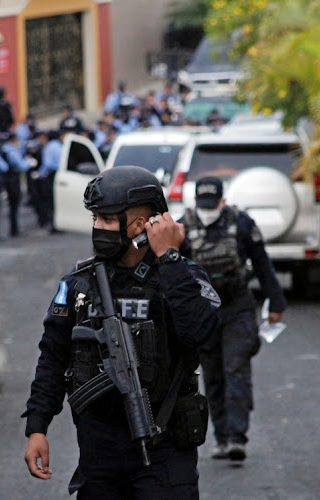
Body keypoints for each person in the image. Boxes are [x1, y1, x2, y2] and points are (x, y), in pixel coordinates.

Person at [23, 166, 222, 498]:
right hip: (99, 450)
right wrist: (37, 427)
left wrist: (170, 258)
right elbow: (53, 357)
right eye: (95, 219)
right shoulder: (79, 282)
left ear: (141, 225)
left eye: (108, 219)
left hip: (164, 444)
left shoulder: (180, 276)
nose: (99, 228)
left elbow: (205, 336)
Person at [179, 176, 286, 461]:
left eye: (212, 204)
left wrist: (276, 301)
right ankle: (222, 436)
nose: (207, 209)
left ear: (223, 201)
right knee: (213, 376)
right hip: (205, 313)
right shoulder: (184, 226)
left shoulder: (242, 224)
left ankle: (237, 437)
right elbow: (172, 272)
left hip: (238, 307)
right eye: (203, 204)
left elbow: (262, 263)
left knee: (236, 369)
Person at [0, 134, 32, 237]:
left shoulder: (4, 149)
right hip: (13, 179)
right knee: (14, 204)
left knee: (13, 205)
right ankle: (14, 230)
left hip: (8, 179)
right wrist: (28, 162)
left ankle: (14, 229)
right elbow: (20, 165)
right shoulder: (12, 151)